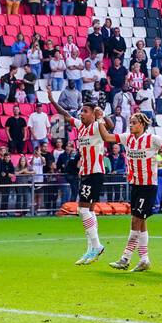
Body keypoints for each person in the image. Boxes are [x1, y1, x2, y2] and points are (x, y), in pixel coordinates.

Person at [109, 113, 162, 271]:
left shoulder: (152, 139)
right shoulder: (127, 138)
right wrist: (100, 118)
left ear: (142, 124)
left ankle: (125, 258)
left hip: (148, 186)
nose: (131, 125)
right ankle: (144, 260)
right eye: (130, 122)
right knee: (141, 222)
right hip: (135, 184)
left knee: (135, 221)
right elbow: (107, 137)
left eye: (134, 122)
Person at [52, 101, 115, 264]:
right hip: (85, 173)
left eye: (85, 111)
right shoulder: (81, 126)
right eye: (81, 111)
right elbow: (65, 115)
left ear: (93, 114)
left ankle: (97, 245)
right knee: (90, 210)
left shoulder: (96, 126)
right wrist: (52, 100)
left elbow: (111, 125)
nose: (81, 113)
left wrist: (102, 116)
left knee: (82, 209)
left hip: (95, 172)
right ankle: (90, 250)